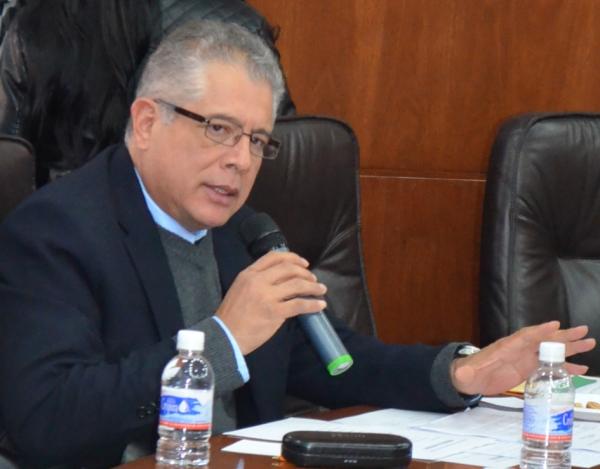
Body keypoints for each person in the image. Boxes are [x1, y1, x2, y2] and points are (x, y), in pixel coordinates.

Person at [0, 19, 595, 468]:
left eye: (258, 140)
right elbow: (46, 420)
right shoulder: (57, 231)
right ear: (149, 121)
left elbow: (337, 364)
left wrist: (461, 372)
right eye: (220, 129)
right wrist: (223, 340)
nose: (241, 160)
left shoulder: (242, 232)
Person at [0, 0, 294, 186]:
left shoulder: (33, 24)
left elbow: (10, 161)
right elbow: (283, 156)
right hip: (201, 235)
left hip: (54, 233)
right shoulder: (238, 24)